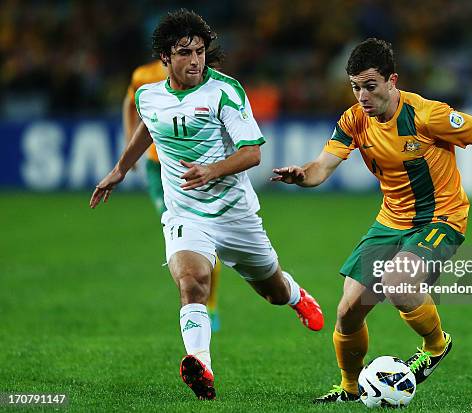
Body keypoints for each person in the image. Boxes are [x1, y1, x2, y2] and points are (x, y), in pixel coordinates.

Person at [272, 38, 472, 403]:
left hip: (441, 218)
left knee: (399, 282)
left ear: (392, 80)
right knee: (348, 311)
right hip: (391, 220)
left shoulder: (428, 115)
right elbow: (321, 168)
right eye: (355, 87)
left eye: (370, 86)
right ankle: (348, 388)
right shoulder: (353, 120)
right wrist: (302, 175)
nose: (362, 96)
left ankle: (436, 345)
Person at [91, 9, 324, 401]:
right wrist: (120, 169)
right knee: (192, 281)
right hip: (184, 212)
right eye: (184, 53)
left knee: (271, 289)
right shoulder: (148, 94)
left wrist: (211, 170)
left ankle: (296, 296)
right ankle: (201, 364)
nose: (195, 60)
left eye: (199, 51)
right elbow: (149, 124)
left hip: (234, 213)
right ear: (165, 58)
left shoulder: (224, 91)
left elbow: (252, 154)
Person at [123, 60, 222, 331]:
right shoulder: (143, 76)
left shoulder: (203, 76)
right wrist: (129, 144)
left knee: (204, 233)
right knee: (180, 226)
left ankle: (207, 305)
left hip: (192, 166)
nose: (191, 57)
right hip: (159, 167)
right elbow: (131, 106)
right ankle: (195, 296)